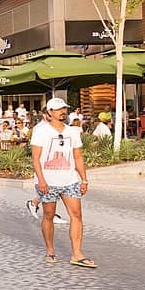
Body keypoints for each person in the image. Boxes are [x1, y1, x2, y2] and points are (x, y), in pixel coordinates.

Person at [30, 98, 94, 268]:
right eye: (58, 109)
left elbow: (78, 157)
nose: (62, 112)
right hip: (48, 181)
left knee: (77, 215)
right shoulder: (41, 131)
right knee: (49, 215)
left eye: (64, 109)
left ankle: (77, 254)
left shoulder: (73, 131)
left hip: (69, 180)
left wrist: (84, 179)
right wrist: (41, 180)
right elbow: (35, 159)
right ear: (49, 112)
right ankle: (50, 250)